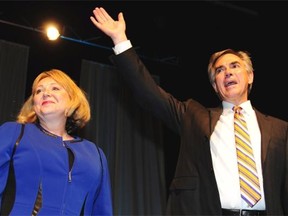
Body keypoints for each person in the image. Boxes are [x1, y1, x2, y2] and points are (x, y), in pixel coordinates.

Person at [90, 7, 288, 216]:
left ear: (250, 76)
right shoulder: (193, 116)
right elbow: (149, 94)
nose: (227, 72)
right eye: (219, 70)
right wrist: (120, 39)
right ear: (215, 85)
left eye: (234, 66)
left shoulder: (280, 129)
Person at [0, 69, 113, 215]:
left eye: (55, 88)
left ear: (72, 98)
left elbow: (102, 210)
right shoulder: (14, 133)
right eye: (38, 91)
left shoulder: (95, 154)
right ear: (34, 103)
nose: (46, 93)